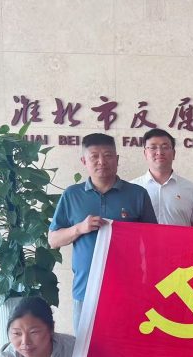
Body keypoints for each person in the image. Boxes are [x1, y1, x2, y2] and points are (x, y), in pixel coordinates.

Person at [48, 133, 156, 331]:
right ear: (84, 161)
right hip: (86, 290)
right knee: (86, 346)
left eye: (107, 155)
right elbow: (53, 240)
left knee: (126, 343)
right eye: (94, 156)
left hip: (127, 290)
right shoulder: (72, 195)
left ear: (117, 159)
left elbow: (153, 241)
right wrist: (79, 228)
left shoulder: (137, 194)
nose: (101, 161)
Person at [131, 128, 193, 226]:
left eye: (165, 147)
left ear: (174, 153)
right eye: (153, 147)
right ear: (145, 154)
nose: (159, 152)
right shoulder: (132, 188)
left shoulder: (191, 189)